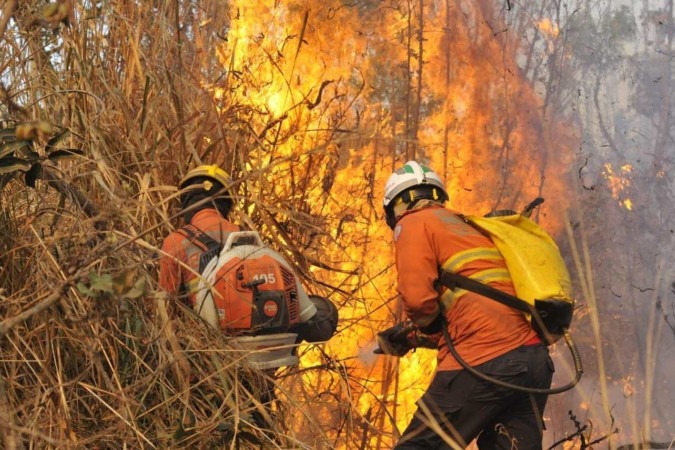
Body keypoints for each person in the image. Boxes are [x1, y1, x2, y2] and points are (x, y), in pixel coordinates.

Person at [376, 160, 554, 449]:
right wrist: (412, 336)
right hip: (534, 361)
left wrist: (425, 325)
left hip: (484, 360)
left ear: (398, 205)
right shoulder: (471, 227)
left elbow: (418, 300)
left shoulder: (412, 222)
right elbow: (479, 305)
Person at [159, 164, 338, 347]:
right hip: (269, 349)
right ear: (226, 202)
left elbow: (165, 312)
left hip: (211, 351)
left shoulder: (175, 242)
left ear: (186, 202)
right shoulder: (248, 237)